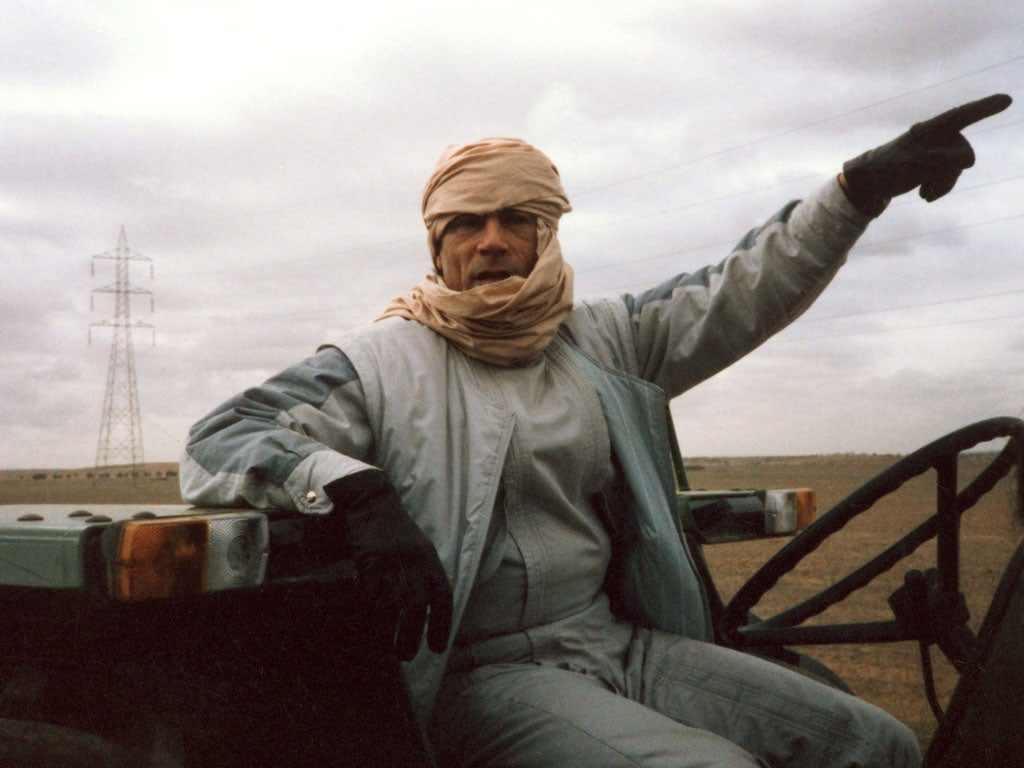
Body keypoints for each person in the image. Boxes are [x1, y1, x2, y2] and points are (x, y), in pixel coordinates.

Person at [181, 94, 1012, 768]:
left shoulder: (602, 338)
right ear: (437, 244)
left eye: (517, 218)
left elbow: (737, 288)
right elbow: (224, 436)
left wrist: (858, 190)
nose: (493, 240)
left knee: (876, 743)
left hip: (612, 641)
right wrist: (352, 487)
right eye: (467, 223)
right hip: (486, 671)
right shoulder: (380, 361)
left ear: (548, 231)